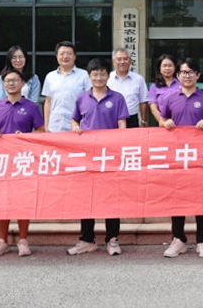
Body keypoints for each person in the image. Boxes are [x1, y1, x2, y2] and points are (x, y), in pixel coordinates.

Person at [159, 58, 203, 258]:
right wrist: (165, 123)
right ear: (177, 76)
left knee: (202, 198)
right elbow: (162, 120)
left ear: (198, 75)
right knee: (177, 197)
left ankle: (202, 241)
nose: (187, 76)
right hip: (178, 156)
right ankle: (178, 239)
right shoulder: (170, 98)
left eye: (191, 72)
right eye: (183, 72)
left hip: (201, 156)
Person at [67, 59, 129, 257]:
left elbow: (122, 124)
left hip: (110, 155)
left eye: (102, 73)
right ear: (89, 76)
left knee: (112, 197)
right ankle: (87, 239)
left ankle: (112, 239)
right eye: (95, 74)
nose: (99, 77)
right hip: (87, 156)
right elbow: (74, 120)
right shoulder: (81, 98)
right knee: (87, 197)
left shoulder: (117, 98)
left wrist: (120, 146)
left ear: (108, 76)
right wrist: (75, 128)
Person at [0, 69, 47, 257]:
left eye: (15, 80)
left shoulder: (32, 107)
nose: (11, 83)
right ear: (3, 84)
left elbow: (41, 130)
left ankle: (23, 240)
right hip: (1, 160)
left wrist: (27, 135)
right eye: (8, 81)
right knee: (2, 200)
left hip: (23, 160)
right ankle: (2, 241)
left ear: (22, 84)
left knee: (22, 199)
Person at [42, 41, 91, 132]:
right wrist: (46, 125)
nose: (65, 56)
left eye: (69, 53)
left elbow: (89, 101)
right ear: (57, 56)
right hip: (54, 126)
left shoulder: (84, 75)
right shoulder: (50, 76)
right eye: (62, 54)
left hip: (77, 127)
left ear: (74, 56)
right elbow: (48, 101)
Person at [107, 48, 149, 128]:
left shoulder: (138, 79)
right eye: (119, 59)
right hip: (111, 118)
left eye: (125, 59)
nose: (122, 62)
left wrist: (143, 122)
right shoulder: (108, 78)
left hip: (132, 118)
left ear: (130, 61)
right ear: (113, 61)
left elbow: (143, 101)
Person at [148, 54, 180, 124]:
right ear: (160, 68)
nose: (167, 68)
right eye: (164, 66)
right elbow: (154, 109)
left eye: (170, 66)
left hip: (181, 122)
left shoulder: (181, 84)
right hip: (162, 123)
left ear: (175, 68)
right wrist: (163, 122)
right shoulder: (154, 87)